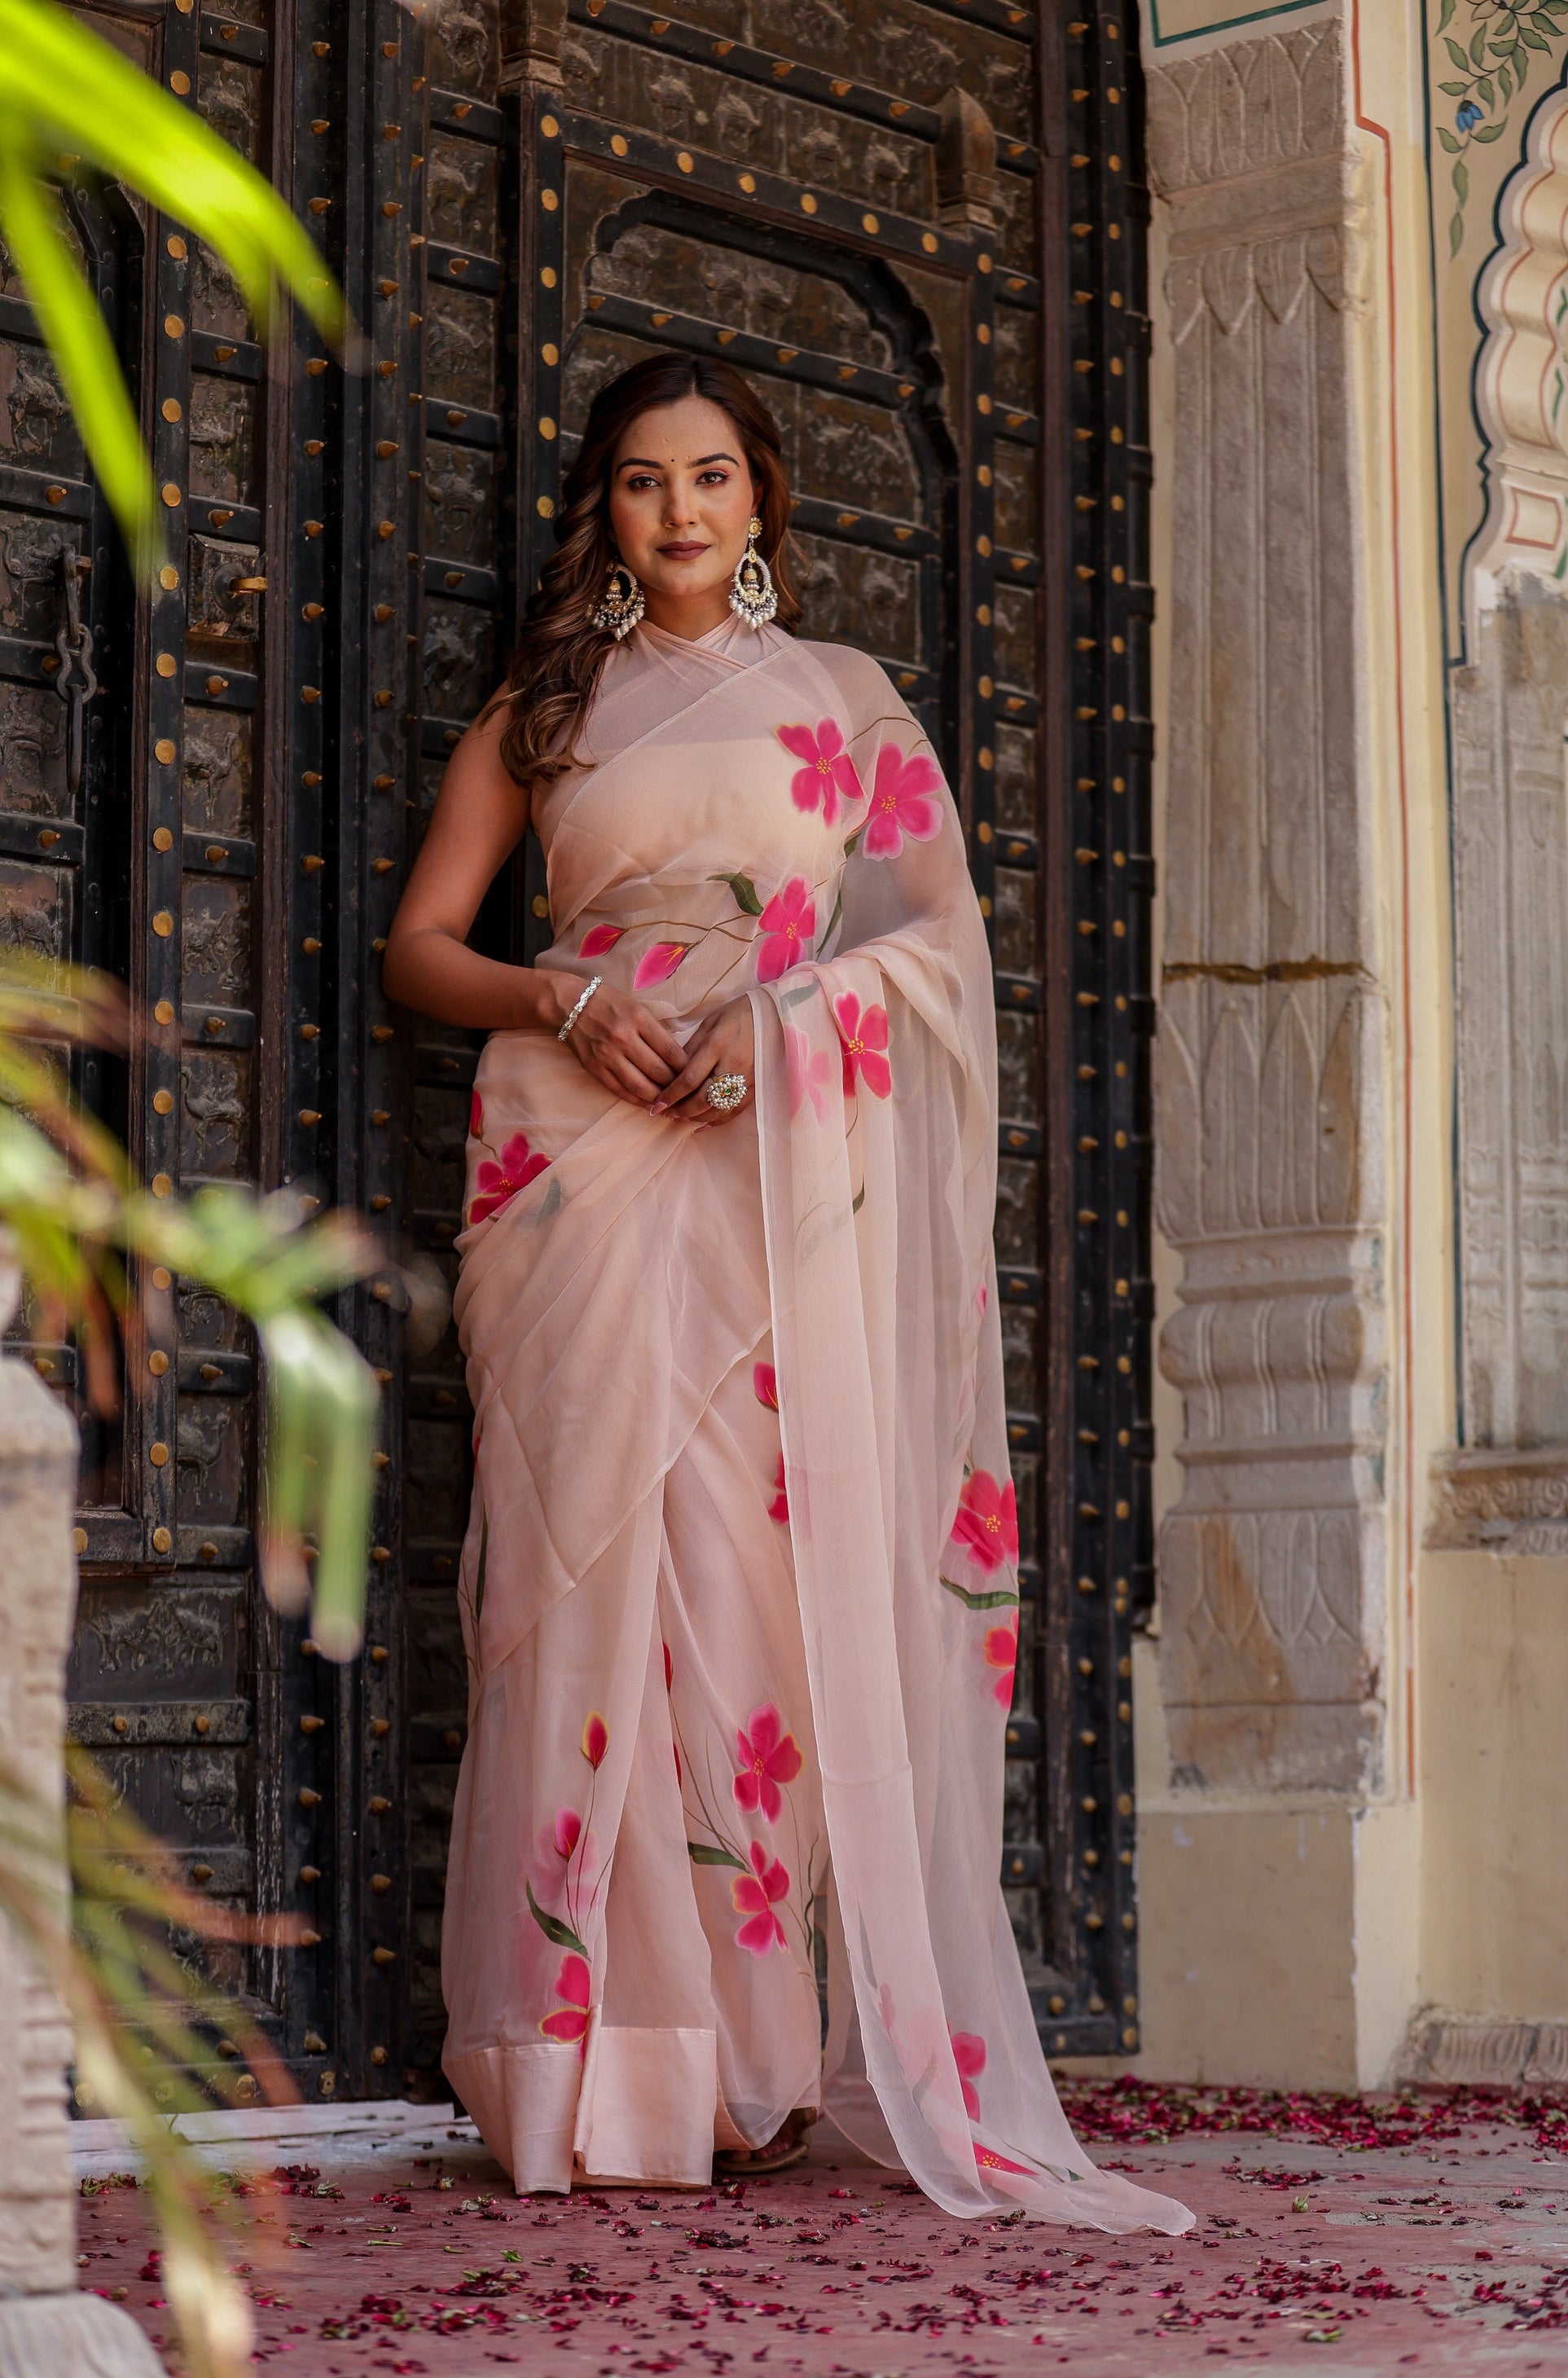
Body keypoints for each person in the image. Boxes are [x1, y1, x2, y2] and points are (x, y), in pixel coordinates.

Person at [382, 350, 1192, 2232]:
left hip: (765, 1168)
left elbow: (935, 941)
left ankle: (739, 2064)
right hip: (571, 1174)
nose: (681, 511)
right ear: (606, 503)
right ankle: (583, 2064)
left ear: (764, 506)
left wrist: (775, 1026)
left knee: (752, 1598)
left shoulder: (844, 704)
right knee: (574, 1585)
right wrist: (564, 995)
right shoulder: (543, 709)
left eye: (716, 478)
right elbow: (425, 944)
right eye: (648, 481)